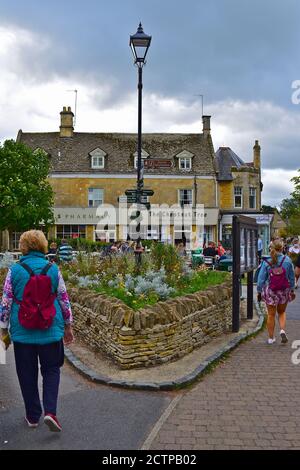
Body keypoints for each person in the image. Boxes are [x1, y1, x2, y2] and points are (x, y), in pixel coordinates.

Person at [0, 230, 74, 432]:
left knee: (26, 374)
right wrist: (68, 326)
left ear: (23, 247)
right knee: (51, 370)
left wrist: (4, 330)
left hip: (23, 331)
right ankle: (50, 412)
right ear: (43, 245)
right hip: (50, 328)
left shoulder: (15, 270)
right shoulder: (53, 269)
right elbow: (63, 299)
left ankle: (33, 416)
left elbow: (6, 302)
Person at [257, 238, 295, 345]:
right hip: (283, 291)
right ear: (282, 248)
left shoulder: (267, 260)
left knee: (271, 315)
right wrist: (292, 289)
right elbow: (291, 277)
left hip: (271, 291)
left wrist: (259, 291)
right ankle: (282, 330)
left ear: (272, 248)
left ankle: (271, 338)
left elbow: (261, 279)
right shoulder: (287, 260)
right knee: (282, 312)